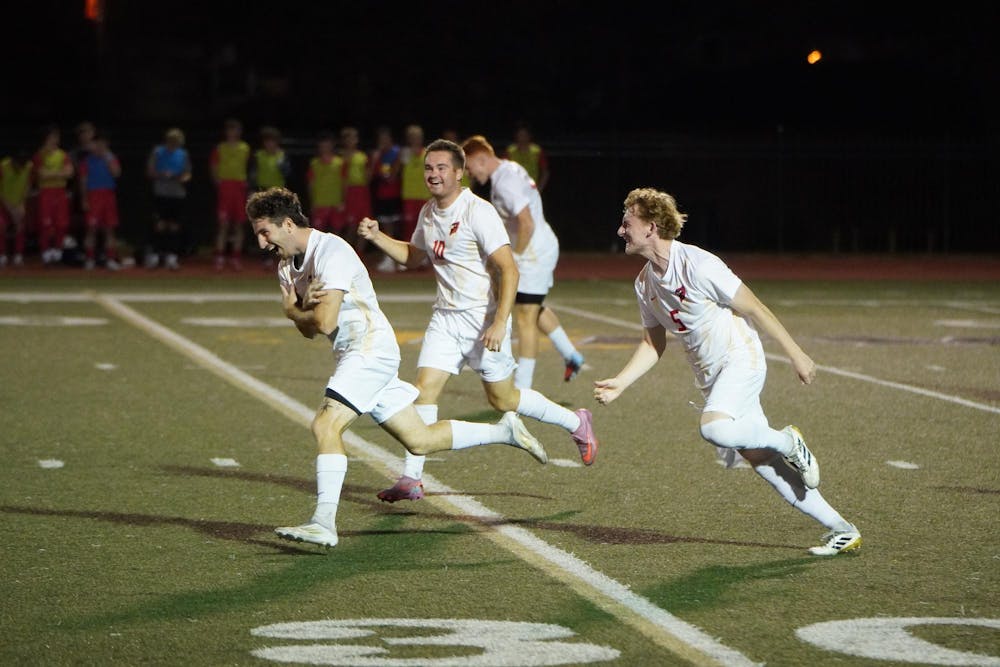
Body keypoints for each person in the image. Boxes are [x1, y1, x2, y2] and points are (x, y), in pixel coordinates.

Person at [245, 186, 548, 548]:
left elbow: (321, 322)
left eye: (266, 232)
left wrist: (294, 310)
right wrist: (298, 313)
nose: (262, 243)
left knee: (325, 423)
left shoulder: (331, 251)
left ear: (289, 224)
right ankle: (505, 431)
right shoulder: (285, 267)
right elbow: (308, 330)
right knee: (420, 440)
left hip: (369, 348)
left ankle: (323, 521)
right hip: (351, 353)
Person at [592, 187, 862, 556]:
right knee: (759, 460)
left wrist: (797, 354)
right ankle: (842, 528)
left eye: (627, 223)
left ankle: (787, 440)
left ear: (651, 227)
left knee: (714, 428)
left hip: (741, 359)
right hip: (712, 377)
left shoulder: (700, 264)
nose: (621, 230)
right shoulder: (644, 284)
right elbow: (653, 343)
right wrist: (621, 382)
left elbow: (755, 308)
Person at [357, 139, 599, 503]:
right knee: (424, 389)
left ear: (459, 172)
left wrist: (500, 322)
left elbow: (509, 269)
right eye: (428, 168)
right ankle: (412, 478)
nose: (433, 174)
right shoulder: (428, 212)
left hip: (482, 321)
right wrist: (378, 237)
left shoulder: (477, 212)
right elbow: (413, 257)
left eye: (441, 168)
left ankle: (576, 423)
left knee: (504, 399)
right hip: (445, 319)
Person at [463, 134, 586, 388]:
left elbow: (526, 223)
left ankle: (522, 388)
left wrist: (514, 258)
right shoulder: (508, 169)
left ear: (481, 158)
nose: (469, 174)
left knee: (524, 317)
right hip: (535, 248)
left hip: (533, 253)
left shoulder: (505, 181)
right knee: (532, 308)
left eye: (468, 167)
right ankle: (571, 355)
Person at [146, 127, 192, 270]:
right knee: (159, 225)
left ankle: (172, 258)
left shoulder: (183, 154)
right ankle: (155, 256)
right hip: (161, 193)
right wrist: (162, 175)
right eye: (171, 141)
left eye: (176, 142)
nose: (174, 144)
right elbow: (150, 171)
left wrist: (180, 178)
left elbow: (188, 174)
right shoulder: (157, 152)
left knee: (174, 226)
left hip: (177, 194)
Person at [210, 117, 250, 270]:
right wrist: (218, 182)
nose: (233, 133)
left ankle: (235, 257)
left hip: (239, 187)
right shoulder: (220, 148)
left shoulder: (245, 148)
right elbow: (214, 166)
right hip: (226, 186)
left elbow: (248, 166)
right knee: (223, 224)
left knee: (239, 224)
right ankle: (219, 257)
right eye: (230, 130)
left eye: (236, 130)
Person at [78, 132, 122, 270]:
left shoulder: (111, 158)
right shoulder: (87, 161)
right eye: (98, 143)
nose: (100, 146)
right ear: (93, 144)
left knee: (109, 230)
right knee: (91, 229)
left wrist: (107, 158)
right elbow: (83, 181)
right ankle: (90, 259)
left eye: (103, 144)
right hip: (93, 196)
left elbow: (116, 173)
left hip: (108, 195)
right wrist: (84, 199)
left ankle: (110, 259)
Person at [32, 125, 74, 265]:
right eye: (52, 137)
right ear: (46, 138)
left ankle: (57, 251)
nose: (54, 140)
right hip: (46, 192)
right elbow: (41, 175)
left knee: (61, 223)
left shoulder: (63, 155)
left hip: (60, 192)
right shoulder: (40, 155)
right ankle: (45, 252)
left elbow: (69, 172)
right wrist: (59, 173)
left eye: (56, 137)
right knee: (45, 224)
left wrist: (52, 173)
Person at [367, 125, 402, 272]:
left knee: (396, 227)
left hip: (395, 194)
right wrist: (375, 160)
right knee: (386, 227)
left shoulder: (396, 152)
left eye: (385, 139)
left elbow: (393, 174)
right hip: (381, 194)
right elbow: (371, 176)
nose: (383, 141)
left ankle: (398, 258)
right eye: (381, 139)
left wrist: (387, 173)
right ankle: (389, 257)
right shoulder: (377, 155)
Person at [306, 131, 346, 235]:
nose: (325, 148)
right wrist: (313, 202)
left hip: (336, 204)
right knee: (318, 233)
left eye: (327, 145)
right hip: (320, 204)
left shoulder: (340, 162)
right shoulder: (314, 163)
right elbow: (311, 184)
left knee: (337, 232)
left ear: (332, 145)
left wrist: (343, 201)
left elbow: (344, 183)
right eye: (322, 145)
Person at [339, 126, 371, 251]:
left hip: (362, 192)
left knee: (364, 224)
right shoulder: (340, 157)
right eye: (348, 138)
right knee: (351, 226)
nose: (351, 141)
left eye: (354, 138)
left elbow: (368, 176)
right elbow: (342, 179)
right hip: (349, 193)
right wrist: (342, 197)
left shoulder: (362, 156)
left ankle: (359, 253)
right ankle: (345, 253)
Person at [0, 151, 33, 267]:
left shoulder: (29, 166)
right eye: (19, 165)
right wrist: (10, 208)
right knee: (1, 226)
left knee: (20, 226)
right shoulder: (3, 166)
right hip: (3, 203)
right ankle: (2, 255)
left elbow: (28, 185)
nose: (20, 168)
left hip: (18, 204)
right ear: (13, 161)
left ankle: (18, 256)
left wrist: (22, 204)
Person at [398, 124, 426, 245]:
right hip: (409, 195)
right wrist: (400, 159)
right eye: (412, 137)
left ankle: (424, 254)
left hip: (425, 195)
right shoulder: (404, 153)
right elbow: (395, 173)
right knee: (409, 226)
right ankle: (407, 253)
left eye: (418, 137)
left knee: (425, 227)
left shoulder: (428, 153)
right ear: (408, 139)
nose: (415, 140)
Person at [505, 124, 550, 193]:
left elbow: (545, 172)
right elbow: (503, 171)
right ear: (516, 136)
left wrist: (539, 189)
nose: (522, 138)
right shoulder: (510, 151)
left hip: (532, 188)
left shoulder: (537, 151)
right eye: (520, 135)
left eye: (525, 135)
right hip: (514, 189)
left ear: (529, 136)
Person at [251, 126, 290, 192]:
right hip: (261, 189)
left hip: (278, 189)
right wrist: (251, 188)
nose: (269, 144)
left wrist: (282, 165)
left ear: (277, 141)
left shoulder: (282, 155)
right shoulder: (258, 155)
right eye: (267, 141)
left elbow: (287, 174)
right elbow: (253, 173)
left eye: (272, 141)